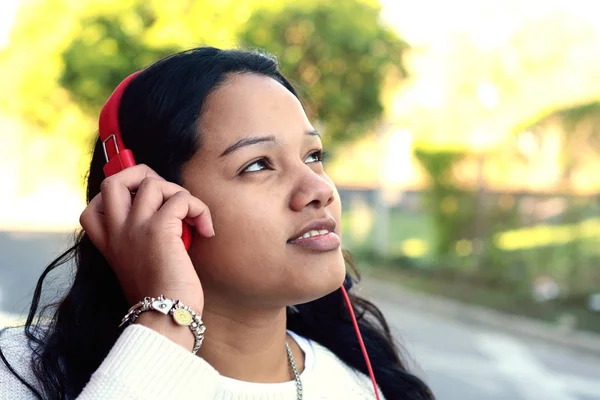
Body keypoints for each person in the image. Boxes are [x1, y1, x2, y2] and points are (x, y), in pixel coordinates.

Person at [0, 47, 434, 399]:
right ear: (147, 201)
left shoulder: (368, 386)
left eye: (313, 156)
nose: (318, 189)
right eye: (258, 164)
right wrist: (164, 323)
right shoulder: (19, 374)